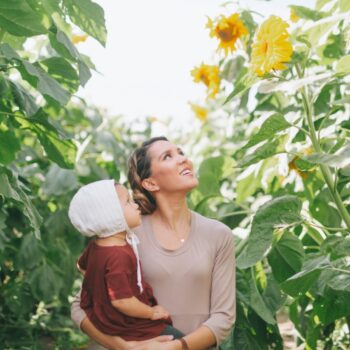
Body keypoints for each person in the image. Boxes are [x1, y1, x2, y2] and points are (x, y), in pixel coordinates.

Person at [71, 137, 236, 350]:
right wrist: (124, 347)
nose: (183, 159)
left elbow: (223, 318)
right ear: (150, 183)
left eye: (181, 152)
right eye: (168, 156)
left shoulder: (218, 234)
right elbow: (80, 306)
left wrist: (176, 346)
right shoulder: (126, 236)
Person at [68, 180, 185, 342]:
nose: (136, 205)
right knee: (180, 340)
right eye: (128, 202)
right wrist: (151, 313)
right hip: (125, 323)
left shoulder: (97, 245)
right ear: (111, 215)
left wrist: (99, 293)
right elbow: (122, 301)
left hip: (104, 316)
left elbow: (81, 266)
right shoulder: (118, 255)